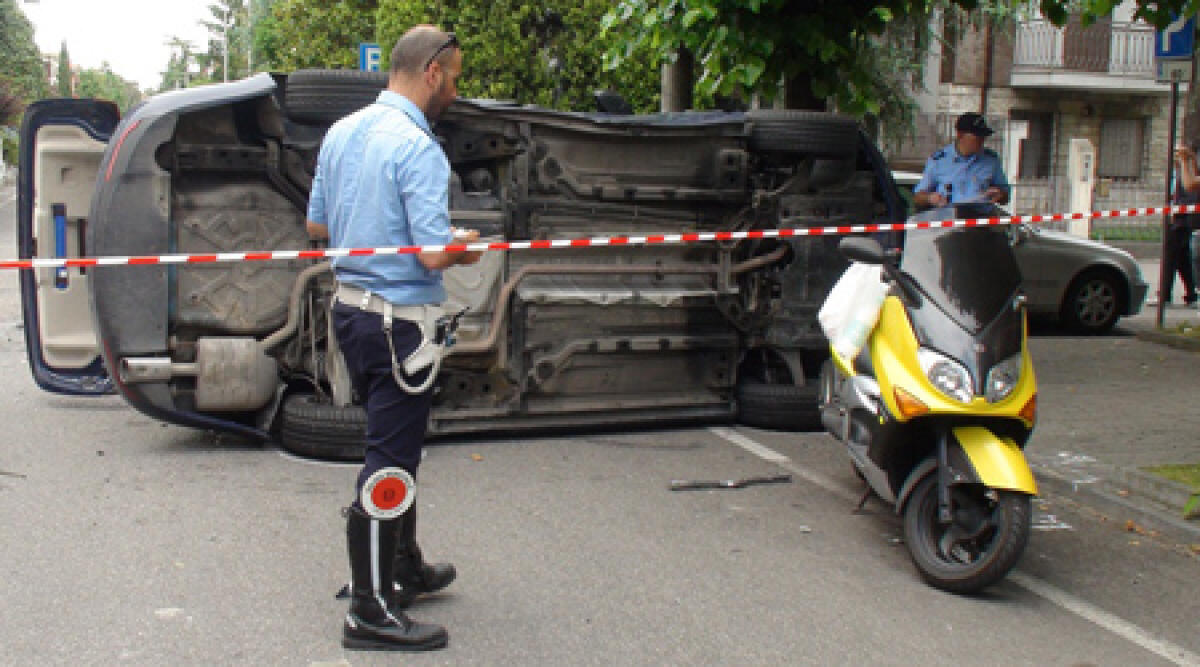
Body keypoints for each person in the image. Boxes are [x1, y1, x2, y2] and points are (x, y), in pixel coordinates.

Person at [306, 26, 481, 652]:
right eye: (455, 76)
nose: (456, 90)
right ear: (431, 72)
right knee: (391, 458)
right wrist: (465, 248)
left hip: (352, 312)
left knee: (397, 444)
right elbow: (433, 255)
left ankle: (401, 566)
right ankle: (370, 609)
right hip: (399, 320)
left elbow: (318, 222)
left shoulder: (340, 133)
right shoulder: (418, 146)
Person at [913, 112, 1011, 210]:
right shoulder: (939, 161)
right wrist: (930, 198)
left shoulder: (991, 160)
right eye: (977, 137)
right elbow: (918, 197)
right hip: (948, 220)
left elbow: (1006, 197)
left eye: (983, 137)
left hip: (980, 221)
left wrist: (1000, 194)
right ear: (960, 135)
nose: (981, 141)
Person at [1166, 140, 1199, 307]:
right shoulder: (1180, 169)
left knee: (1179, 254)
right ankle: (1191, 294)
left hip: (1185, 217)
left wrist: (1186, 161)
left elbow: (1190, 185)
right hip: (1184, 217)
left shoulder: (1185, 168)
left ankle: (1168, 294)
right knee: (1184, 257)